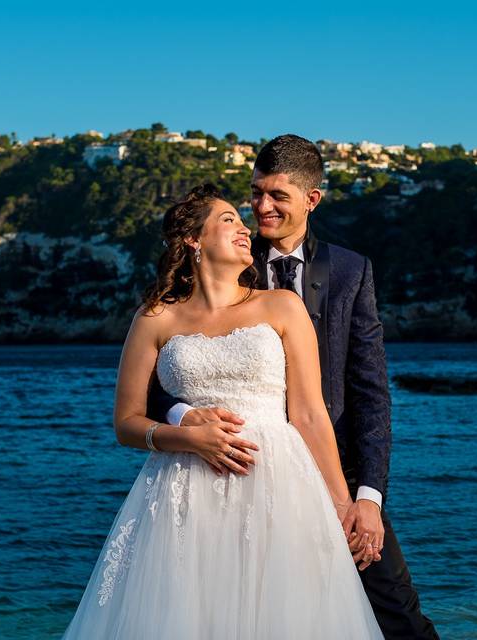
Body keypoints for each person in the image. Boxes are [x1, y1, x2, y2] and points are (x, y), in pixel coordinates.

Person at [60, 184, 384, 639]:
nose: (244, 228)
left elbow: (309, 414)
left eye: (240, 220)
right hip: (184, 491)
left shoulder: (281, 307)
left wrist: (341, 503)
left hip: (279, 485)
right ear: (194, 239)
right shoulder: (155, 318)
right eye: (229, 219)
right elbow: (127, 422)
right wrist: (187, 438)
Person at [148, 134, 439, 639]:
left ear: (311, 199)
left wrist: (367, 497)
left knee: (399, 615)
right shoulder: (223, 257)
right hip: (236, 473)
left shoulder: (352, 271)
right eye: (256, 192)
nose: (261, 207)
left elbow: (371, 392)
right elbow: (162, 377)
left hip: (334, 473)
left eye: (278, 195)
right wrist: (185, 419)